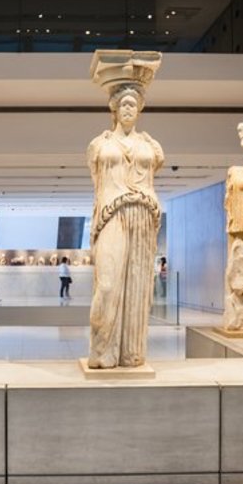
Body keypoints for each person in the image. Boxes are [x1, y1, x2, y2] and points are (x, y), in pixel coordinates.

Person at [87, 50, 164, 369]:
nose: (129, 109)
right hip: (111, 216)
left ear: (140, 109)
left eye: (134, 104)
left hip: (144, 215)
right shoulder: (98, 145)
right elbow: (98, 185)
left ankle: (131, 353)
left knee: (137, 289)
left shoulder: (152, 147)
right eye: (124, 104)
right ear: (115, 109)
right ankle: (101, 350)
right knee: (107, 287)